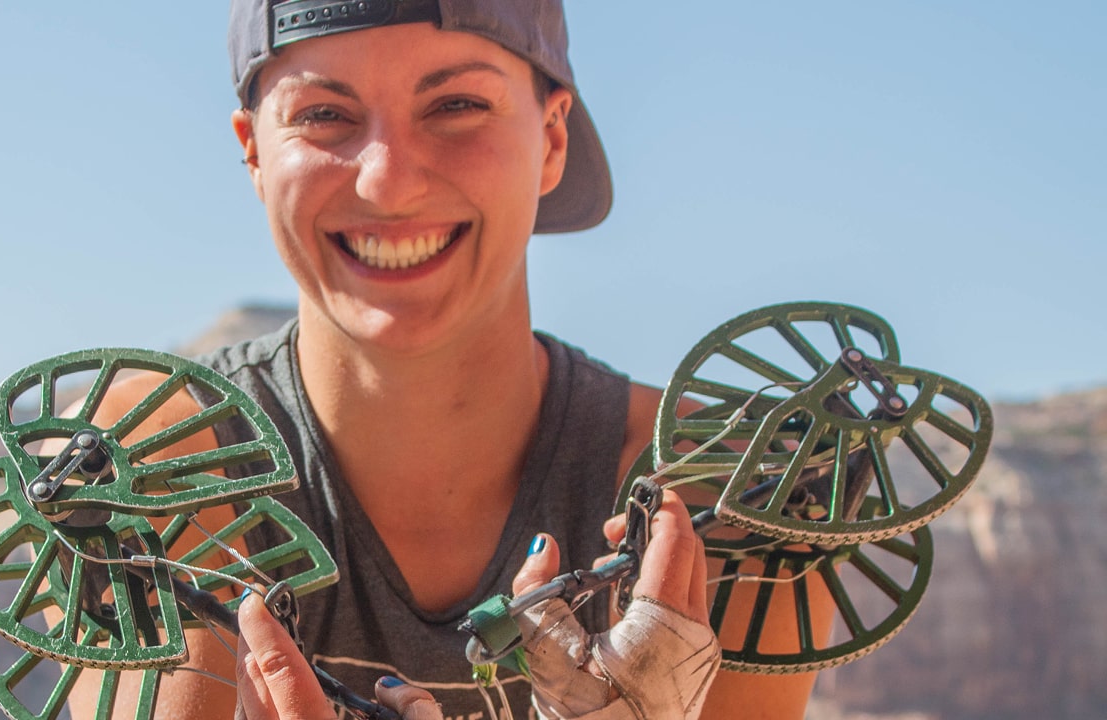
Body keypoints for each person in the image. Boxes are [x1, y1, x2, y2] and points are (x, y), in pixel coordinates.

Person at [84, 1, 827, 717]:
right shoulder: (152, 462)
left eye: (457, 106)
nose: (387, 181)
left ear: (553, 138)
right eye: (323, 115)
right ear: (253, 150)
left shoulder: (720, 488)